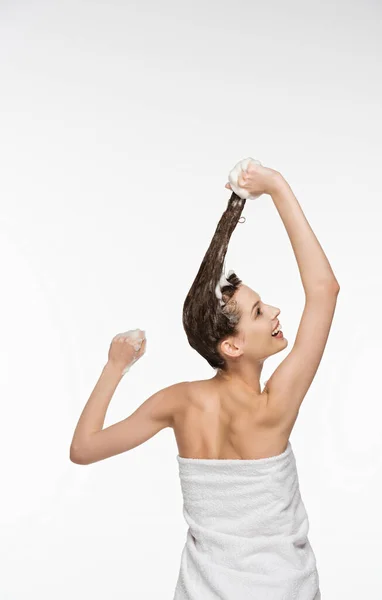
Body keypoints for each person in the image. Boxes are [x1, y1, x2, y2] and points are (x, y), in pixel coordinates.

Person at [70, 162, 339, 599]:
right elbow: (324, 290)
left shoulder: (179, 402)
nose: (273, 311)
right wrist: (276, 187)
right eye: (257, 312)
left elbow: (83, 449)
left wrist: (115, 366)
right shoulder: (271, 410)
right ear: (232, 347)